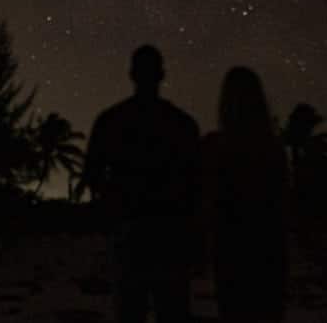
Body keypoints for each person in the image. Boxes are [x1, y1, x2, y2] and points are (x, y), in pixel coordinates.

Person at [80, 45, 201, 323]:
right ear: (162, 75)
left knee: (130, 309)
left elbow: (93, 176)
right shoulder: (181, 124)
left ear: (131, 74)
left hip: (131, 232)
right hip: (170, 232)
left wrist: (109, 211)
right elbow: (195, 184)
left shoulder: (110, 121)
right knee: (171, 309)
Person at [201, 67, 289, 322]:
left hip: (231, 252)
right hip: (267, 252)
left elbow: (206, 201)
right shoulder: (272, 150)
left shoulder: (215, 147)